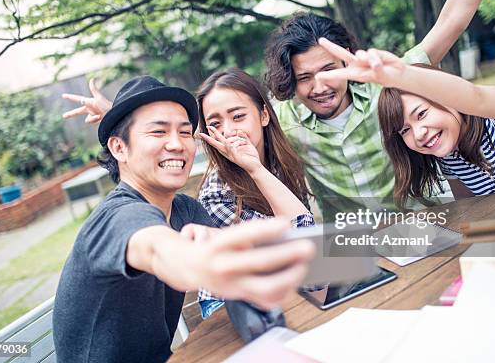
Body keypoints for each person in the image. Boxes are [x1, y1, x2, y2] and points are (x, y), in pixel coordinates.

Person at [53, 76, 314, 362]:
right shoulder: (116, 217)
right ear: (118, 148)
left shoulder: (185, 210)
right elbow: (158, 249)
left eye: (185, 132)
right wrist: (200, 262)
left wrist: (253, 169)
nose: (177, 144)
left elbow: (304, 235)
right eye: (158, 132)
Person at [263, 0, 495, 213]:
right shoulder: (282, 122)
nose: (320, 87)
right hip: (353, 243)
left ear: (346, 60)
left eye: (328, 70)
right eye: (304, 78)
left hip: (424, 226)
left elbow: (452, 21)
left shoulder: (389, 85)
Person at [311, 39, 495, 207]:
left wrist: (402, 76)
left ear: (447, 100)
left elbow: (476, 97)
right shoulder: (448, 153)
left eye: (421, 114)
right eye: (404, 130)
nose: (419, 133)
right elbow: (474, 209)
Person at [195, 67, 315, 317]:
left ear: (263, 115)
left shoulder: (281, 162)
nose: (228, 131)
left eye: (238, 116)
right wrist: (254, 169)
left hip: (283, 281)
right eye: (215, 124)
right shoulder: (215, 195)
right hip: (230, 303)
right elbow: (300, 239)